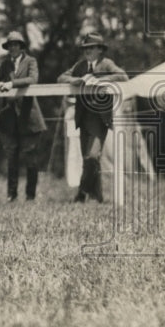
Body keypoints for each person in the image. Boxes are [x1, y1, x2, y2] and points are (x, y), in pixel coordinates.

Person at [58, 32, 128, 203]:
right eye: (85, 48)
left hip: (99, 118)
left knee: (92, 156)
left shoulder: (106, 64)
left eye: (91, 48)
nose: (87, 51)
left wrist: (99, 79)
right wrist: (75, 80)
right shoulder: (80, 65)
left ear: (99, 50)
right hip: (82, 117)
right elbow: (61, 77)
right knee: (88, 160)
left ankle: (81, 193)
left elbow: (123, 76)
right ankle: (98, 197)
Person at [0, 31, 46, 201]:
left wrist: (11, 83)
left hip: (28, 115)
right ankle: (11, 195)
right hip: (9, 117)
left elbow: (33, 79)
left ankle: (30, 196)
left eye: (16, 44)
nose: (13, 48)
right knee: (11, 157)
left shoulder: (31, 61)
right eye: (10, 45)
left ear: (22, 47)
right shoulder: (4, 64)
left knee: (31, 158)